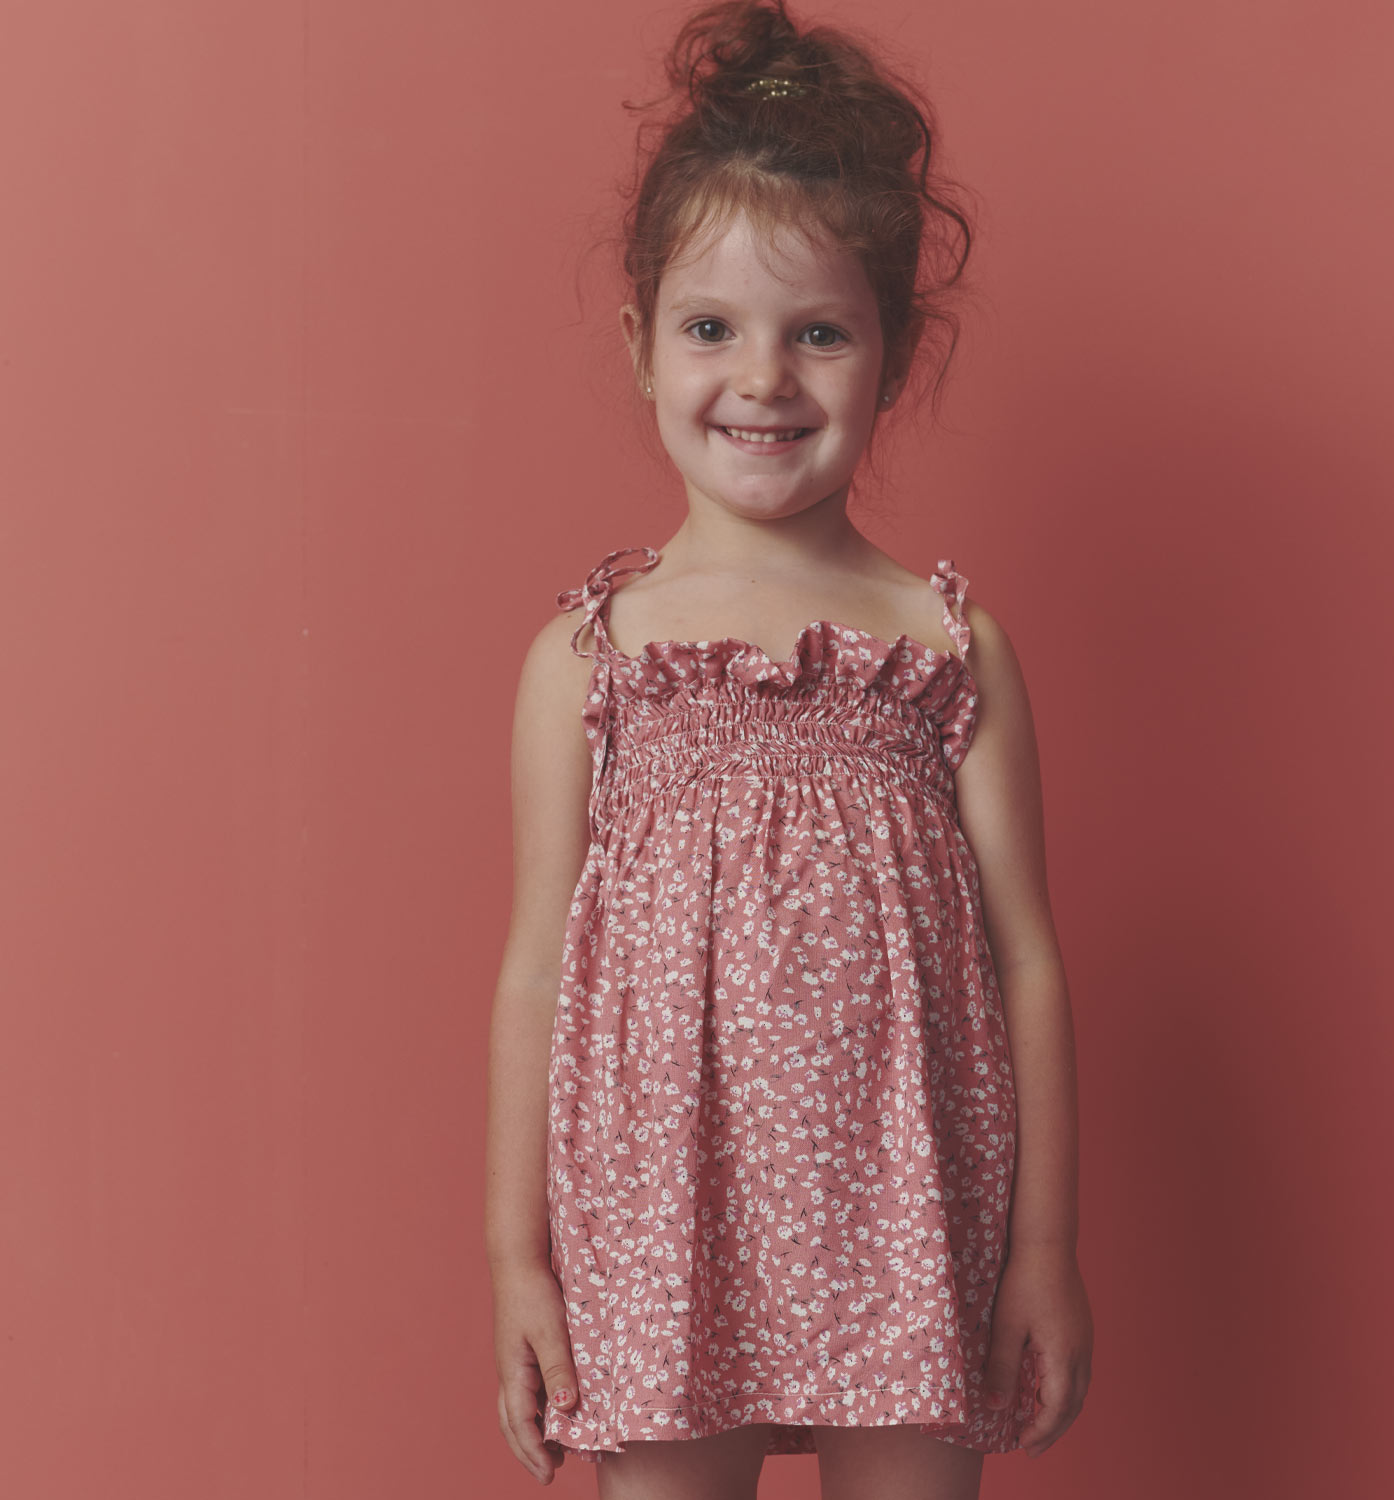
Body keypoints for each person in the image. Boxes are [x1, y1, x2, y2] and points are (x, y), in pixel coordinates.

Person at [484, 2, 1092, 1494]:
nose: (763, 377)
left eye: (818, 331)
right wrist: (517, 1257)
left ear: (894, 353)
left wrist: (1045, 1251)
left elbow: (1025, 959)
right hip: (658, 1215)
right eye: (712, 328)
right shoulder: (588, 661)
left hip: (906, 1209)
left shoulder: (948, 649)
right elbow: (537, 967)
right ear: (641, 346)